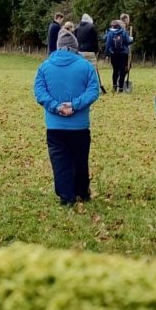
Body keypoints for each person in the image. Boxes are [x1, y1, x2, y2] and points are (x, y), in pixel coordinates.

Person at [32, 30, 101, 206]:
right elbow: (93, 90)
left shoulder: (45, 67)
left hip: (55, 125)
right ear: (75, 47)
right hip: (79, 125)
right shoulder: (86, 66)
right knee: (80, 159)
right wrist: (75, 105)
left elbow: (39, 92)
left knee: (60, 161)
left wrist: (55, 106)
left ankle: (66, 195)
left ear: (58, 46)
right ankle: (82, 192)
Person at [74, 14, 105, 93]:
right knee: (92, 70)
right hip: (90, 52)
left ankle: (81, 88)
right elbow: (95, 41)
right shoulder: (92, 28)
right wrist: (96, 51)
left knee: (81, 71)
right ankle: (96, 89)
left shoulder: (77, 28)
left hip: (80, 52)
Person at [103, 20, 133, 93]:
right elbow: (129, 41)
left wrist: (106, 54)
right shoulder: (123, 31)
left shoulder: (110, 33)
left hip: (114, 54)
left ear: (112, 26)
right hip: (123, 54)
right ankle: (121, 88)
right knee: (122, 71)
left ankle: (114, 87)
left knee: (115, 70)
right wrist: (131, 39)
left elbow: (108, 44)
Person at [120, 13, 134, 92]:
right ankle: (120, 82)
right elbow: (126, 40)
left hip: (120, 51)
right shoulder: (123, 28)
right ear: (125, 19)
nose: (129, 20)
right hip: (124, 51)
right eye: (128, 19)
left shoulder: (118, 27)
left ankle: (120, 81)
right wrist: (130, 39)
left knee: (123, 68)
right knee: (126, 67)